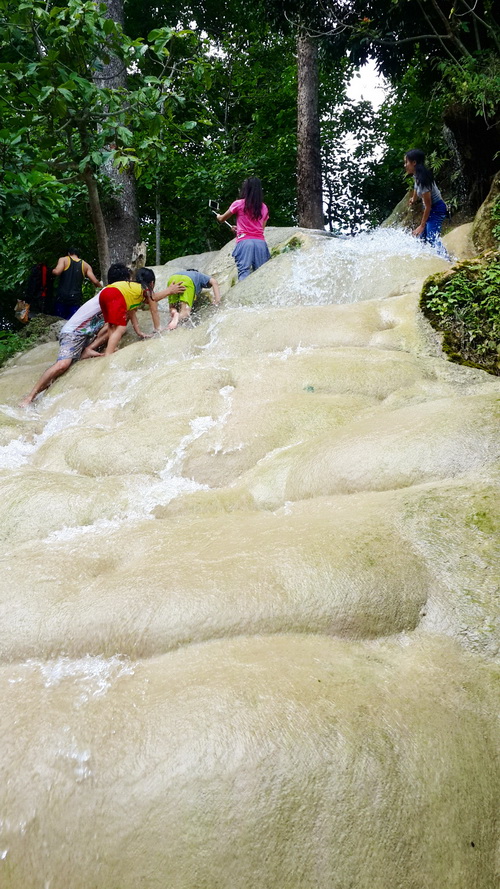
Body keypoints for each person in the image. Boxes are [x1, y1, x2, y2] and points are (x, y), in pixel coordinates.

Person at [19, 262, 127, 407]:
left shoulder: (115, 294)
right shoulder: (109, 293)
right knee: (63, 365)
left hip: (87, 334)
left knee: (117, 325)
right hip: (73, 332)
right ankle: (30, 397)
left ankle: (87, 350)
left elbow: (114, 323)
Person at [99, 267, 186, 355]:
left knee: (112, 325)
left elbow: (132, 313)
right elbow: (154, 307)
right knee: (121, 327)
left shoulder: (132, 289)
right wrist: (158, 329)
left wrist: (139, 332)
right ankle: (108, 354)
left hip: (104, 293)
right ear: (152, 283)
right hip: (115, 294)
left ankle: (112, 348)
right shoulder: (146, 288)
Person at [216, 177, 270, 280]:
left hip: (245, 242)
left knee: (244, 272)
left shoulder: (239, 203)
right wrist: (239, 228)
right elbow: (260, 229)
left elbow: (222, 219)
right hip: (260, 243)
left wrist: (218, 216)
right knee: (261, 275)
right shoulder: (264, 207)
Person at [404, 149, 448, 255]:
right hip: (431, 209)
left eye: (406, 162)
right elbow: (415, 186)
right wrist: (413, 199)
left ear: (414, 163)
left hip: (437, 209)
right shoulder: (417, 175)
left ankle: (447, 261)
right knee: (421, 239)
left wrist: (422, 225)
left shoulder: (423, 180)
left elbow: (428, 206)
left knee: (432, 238)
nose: (405, 165)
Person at [52, 248, 102, 319]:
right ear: (78, 255)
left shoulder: (63, 259)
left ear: (69, 253)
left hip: (62, 296)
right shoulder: (86, 265)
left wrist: (51, 271)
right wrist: (102, 289)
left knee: (58, 320)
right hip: (75, 298)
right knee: (71, 321)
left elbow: (57, 272)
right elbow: (95, 281)